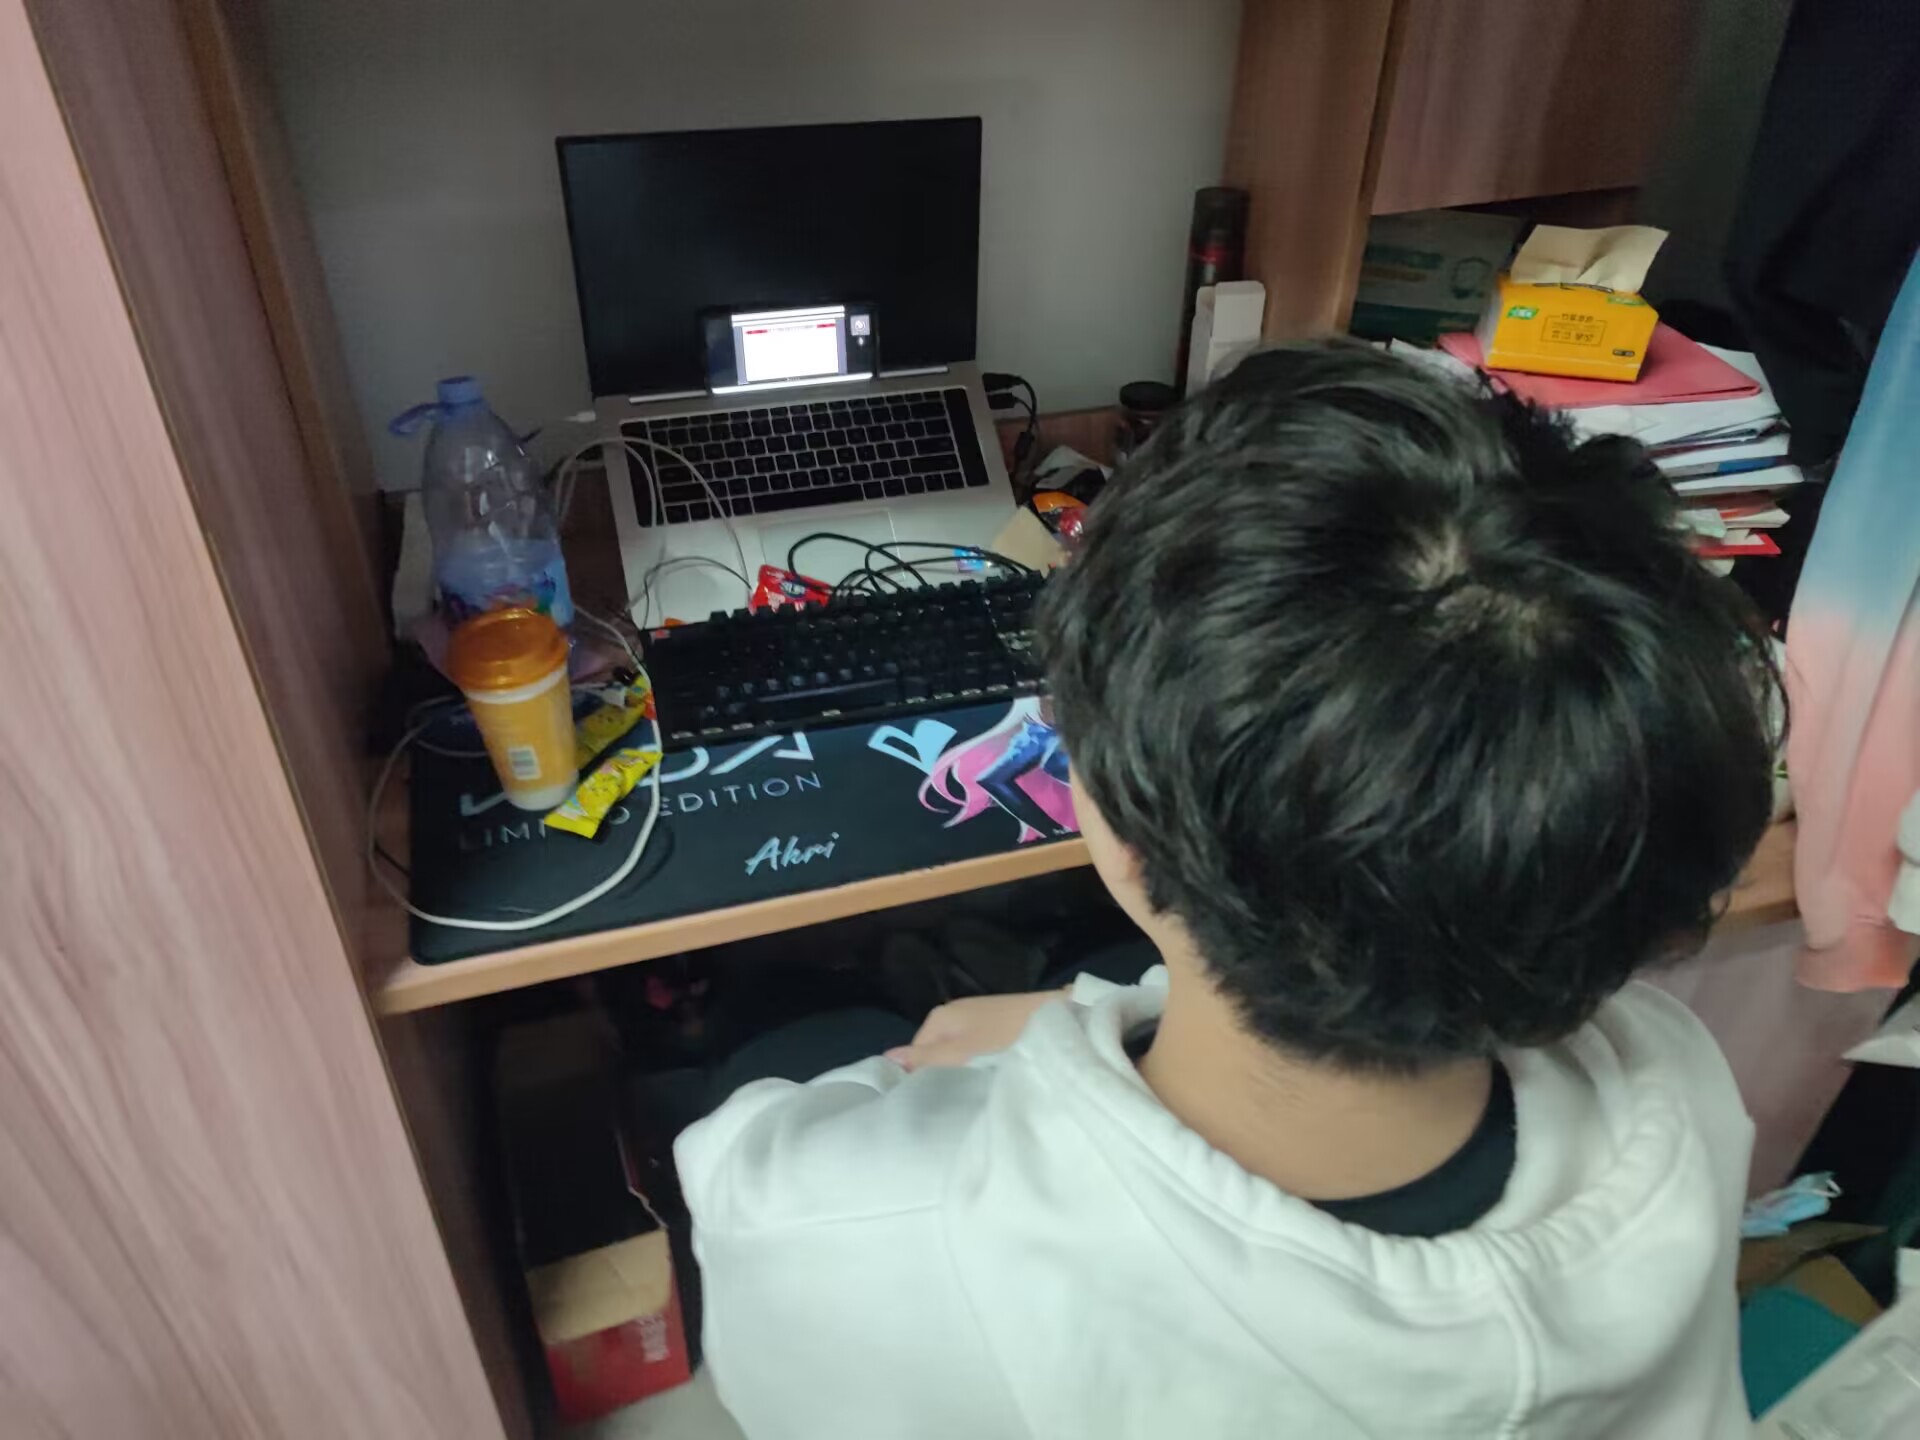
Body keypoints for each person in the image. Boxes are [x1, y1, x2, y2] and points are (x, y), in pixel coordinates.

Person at [675, 343, 1778, 1438]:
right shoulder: (1677, 1081)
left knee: (778, 1032)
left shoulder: (831, 1221)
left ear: (1114, 823)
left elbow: (747, 1194)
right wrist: (1079, 1017)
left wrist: (1060, 1043)